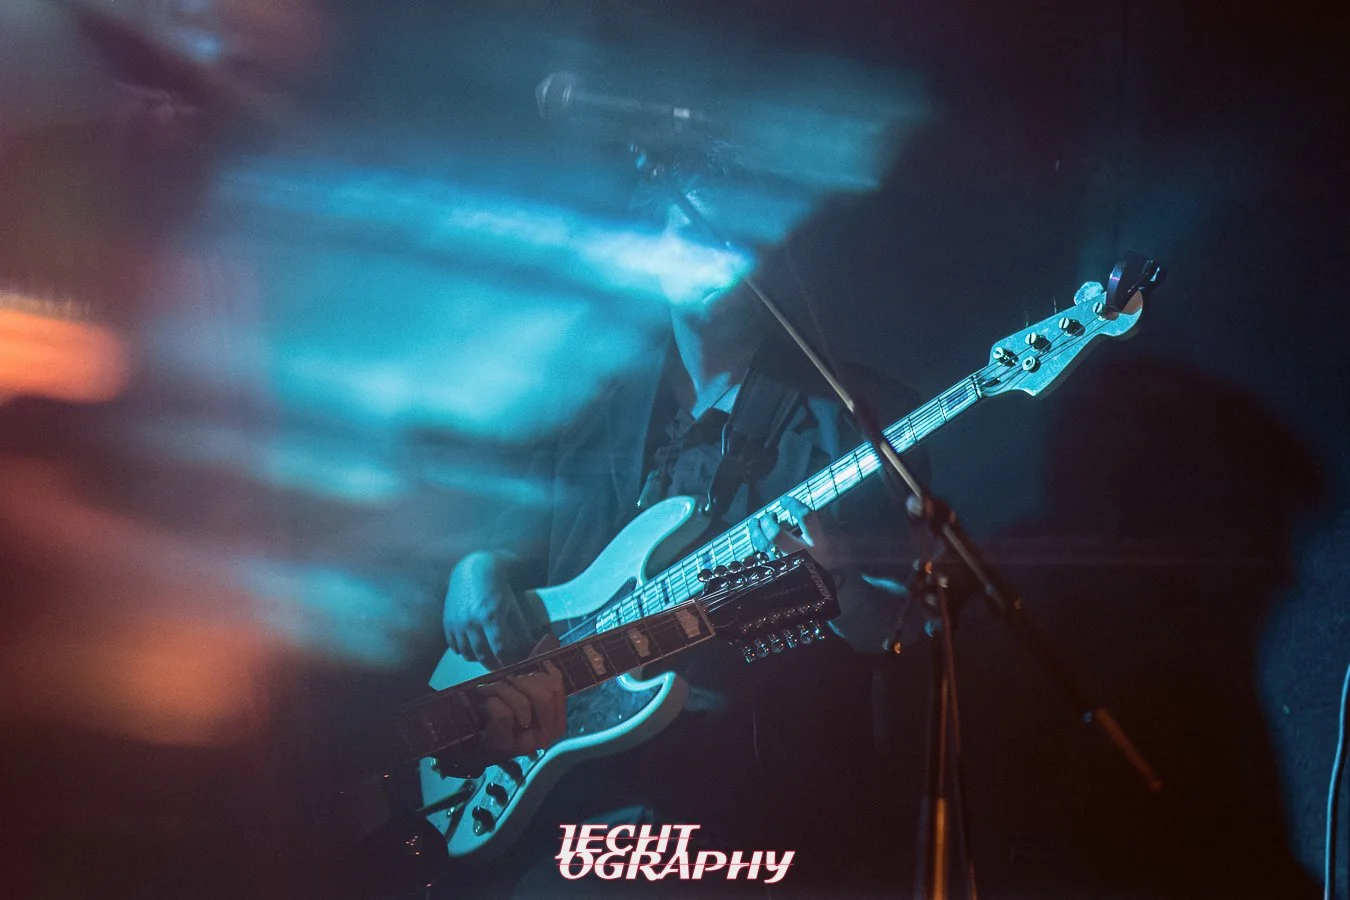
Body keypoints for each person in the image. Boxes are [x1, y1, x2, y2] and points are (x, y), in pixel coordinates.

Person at [435, 174, 929, 897]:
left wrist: (842, 588)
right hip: (565, 801)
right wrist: (472, 569)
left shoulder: (857, 418)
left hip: (754, 819)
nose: (714, 253)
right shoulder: (592, 391)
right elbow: (507, 527)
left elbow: (910, 631)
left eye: (739, 232)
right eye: (691, 230)